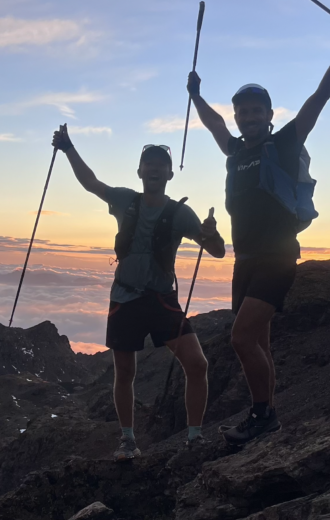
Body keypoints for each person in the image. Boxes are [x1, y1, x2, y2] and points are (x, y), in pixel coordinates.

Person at [186, 15, 330, 444]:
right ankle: (267, 418)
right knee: (258, 344)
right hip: (244, 262)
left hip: (276, 259)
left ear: (269, 114)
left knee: (241, 339)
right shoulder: (232, 150)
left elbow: (319, 99)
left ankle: (263, 416)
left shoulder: (282, 144)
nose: (248, 116)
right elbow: (213, 124)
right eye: (242, 111)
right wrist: (195, 96)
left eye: (256, 110)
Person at [52, 125, 226, 460]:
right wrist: (68, 147)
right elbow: (91, 183)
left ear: (170, 174)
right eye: (150, 163)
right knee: (126, 373)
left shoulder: (180, 213)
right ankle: (129, 440)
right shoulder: (125, 200)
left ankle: (193, 437)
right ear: (140, 171)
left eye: (161, 165)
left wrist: (211, 234)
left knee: (197, 364)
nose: (155, 169)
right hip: (127, 297)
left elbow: (216, 251)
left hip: (160, 299)